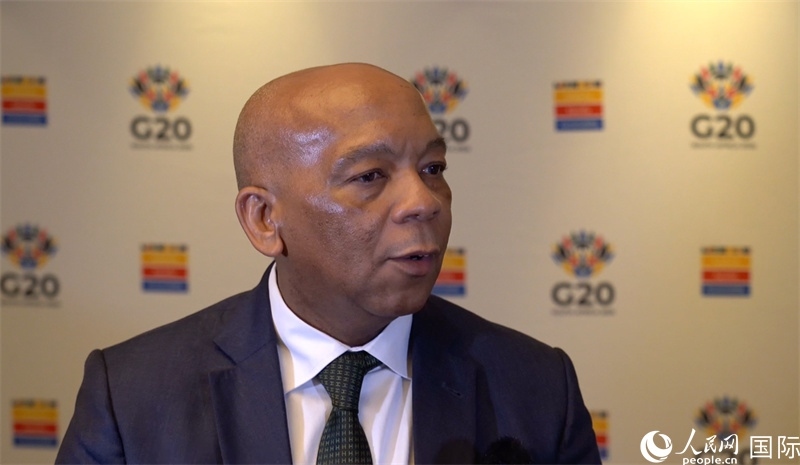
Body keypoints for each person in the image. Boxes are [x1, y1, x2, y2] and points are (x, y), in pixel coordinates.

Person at [56, 63, 600, 464]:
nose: (423, 202)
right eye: (370, 176)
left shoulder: (535, 387)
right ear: (264, 219)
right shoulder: (133, 397)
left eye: (432, 168)